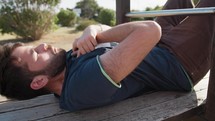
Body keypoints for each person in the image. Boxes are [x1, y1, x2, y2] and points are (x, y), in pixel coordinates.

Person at [0, 0, 214, 111]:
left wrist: (92, 30)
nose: (43, 45)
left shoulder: (64, 63)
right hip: (177, 63)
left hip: (158, 46)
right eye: (36, 54)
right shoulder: (82, 86)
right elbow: (149, 31)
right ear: (38, 81)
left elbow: (106, 28)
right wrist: (98, 37)